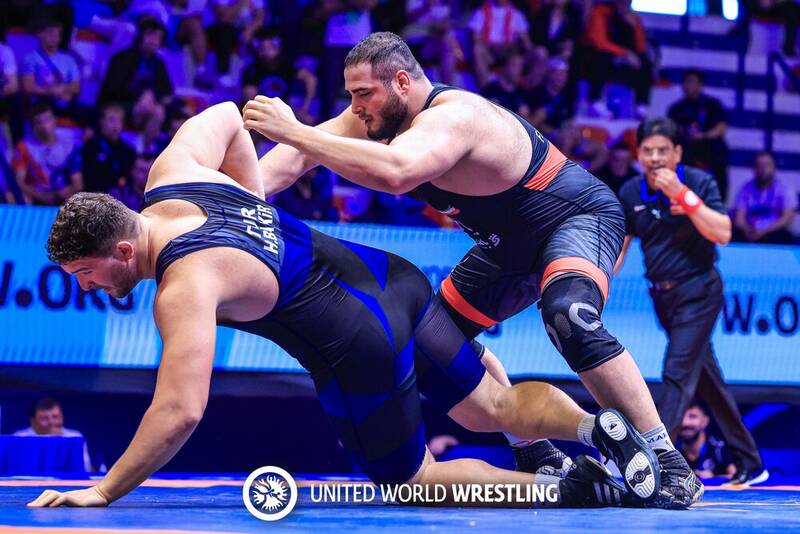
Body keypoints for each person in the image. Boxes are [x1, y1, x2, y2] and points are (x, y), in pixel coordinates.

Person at [32, 102, 657, 508]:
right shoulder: (173, 171)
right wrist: (252, 200)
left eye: (85, 274)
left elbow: (180, 411)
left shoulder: (184, 285)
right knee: (492, 406)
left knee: (411, 482)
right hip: (395, 279)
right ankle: (594, 426)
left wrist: (104, 491)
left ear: (122, 249)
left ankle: (566, 491)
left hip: (358, 344)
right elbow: (226, 114)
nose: (86, 287)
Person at [242, 31, 701, 508]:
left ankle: (669, 462)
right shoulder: (374, 117)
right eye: (351, 95)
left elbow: (395, 172)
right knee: (430, 342)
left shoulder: (454, 117)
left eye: (363, 94)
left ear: (402, 82)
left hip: (576, 218)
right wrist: (234, 198)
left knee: (569, 316)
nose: (355, 107)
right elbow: (300, 156)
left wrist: (293, 129)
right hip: (506, 247)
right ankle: (538, 453)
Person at [615, 117, 767, 486]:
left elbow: (723, 233)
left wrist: (683, 195)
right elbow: (621, 246)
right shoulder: (631, 191)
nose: (655, 157)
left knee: (676, 373)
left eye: (662, 150)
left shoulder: (698, 183)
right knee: (707, 381)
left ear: (677, 153)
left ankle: (653, 462)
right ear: (638, 155)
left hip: (699, 292)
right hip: (662, 298)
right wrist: (597, 281)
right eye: (647, 151)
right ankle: (751, 463)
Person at [583, 0, 652, 119]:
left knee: (645, 61)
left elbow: (640, 47)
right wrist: (625, 54)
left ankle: (641, 105)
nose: (624, 4)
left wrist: (635, 27)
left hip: (623, 61)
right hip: (599, 58)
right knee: (600, 58)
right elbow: (599, 43)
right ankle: (595, 101)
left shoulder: (633, 18)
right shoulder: (601, 12)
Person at [667, 70, 729, 203]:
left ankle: (718, 201)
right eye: (685, 82)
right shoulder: (676, 108)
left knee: (719, 150)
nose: (687, 86)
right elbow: (671, 130)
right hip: (686, 149)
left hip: (709, 147)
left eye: (691, 82)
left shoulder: (712, 105)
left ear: (700, 85)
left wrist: (702, 136)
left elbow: (721, 128)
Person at [12, 102, 82, 205]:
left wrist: (69, 191)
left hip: (67, 192)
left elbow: (78, 180)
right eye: (39, 122)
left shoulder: (70, 137)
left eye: (47, 120)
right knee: (22, 197)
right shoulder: (24, 146)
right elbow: (19, 181)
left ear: (55, 120)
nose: (44, 126)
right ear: (33, 125)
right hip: (40, 194)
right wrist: (41, 196)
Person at [732, 151, 797, 245]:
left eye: (767, 165)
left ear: (774, 167)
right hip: (750, 232)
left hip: (773, 232)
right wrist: (747, 230)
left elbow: (787, 218)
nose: (763, 169)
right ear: (754, 169)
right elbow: (739, 218)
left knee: (783, 237)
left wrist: (764, 231)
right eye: (759, 165)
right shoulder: (745, 189)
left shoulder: (785, 189)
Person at [14, 398, 92, 472]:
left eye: (55, 417)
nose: (51, 422)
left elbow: (86, 468)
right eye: (44, 418)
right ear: (33, 421)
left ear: (62, 417)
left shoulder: (75, 437)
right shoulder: (19, 438)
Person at [81, 103, 137, 194]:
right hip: (94, 195)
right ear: (102, 121)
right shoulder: (90, 146)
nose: (115, 125)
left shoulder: (128, 150)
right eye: (111, 120)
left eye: (119, 120)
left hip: (120, 197)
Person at [676, 403, 737, 480]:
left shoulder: (719, 447)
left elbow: (735, 476)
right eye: (681, 417)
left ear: (705, 421)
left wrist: (713, 478)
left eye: (692, 416)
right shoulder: (671, 447)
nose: (685, 423)